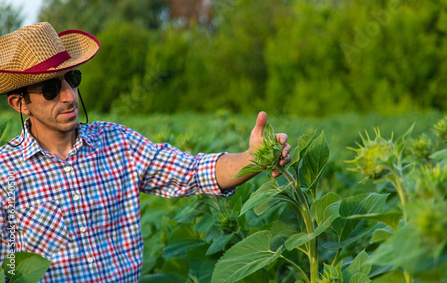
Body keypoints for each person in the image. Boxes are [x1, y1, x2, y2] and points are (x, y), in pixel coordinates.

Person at [0, 22, 290, 281]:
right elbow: (8, 269)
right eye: (51, 89)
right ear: (20, 103)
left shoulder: (117, 144)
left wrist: (254, 158)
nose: (68, 95)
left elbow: (193, 172)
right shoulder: (5, 175)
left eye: (71, 79)